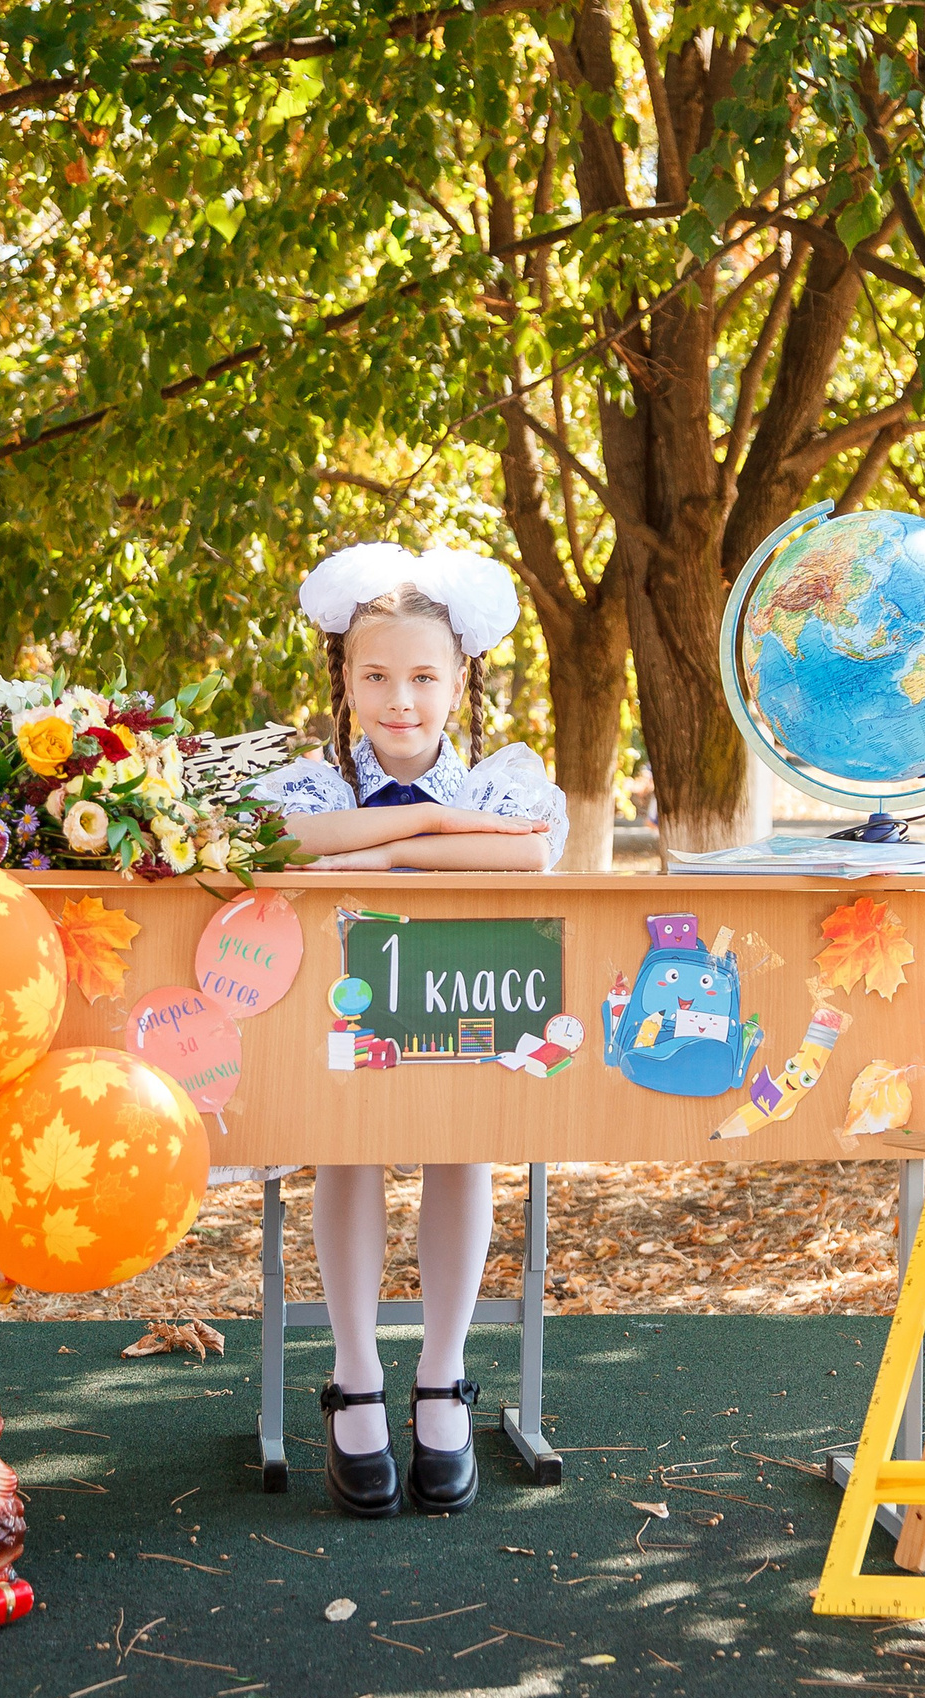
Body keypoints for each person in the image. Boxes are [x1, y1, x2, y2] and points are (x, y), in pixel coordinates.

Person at [248, 543, 564, 1519]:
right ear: (344, 679)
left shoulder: (502, 779)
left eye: (423, 677)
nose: (400, 700)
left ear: (458, 678)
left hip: (462, 1010)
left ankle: (440, 1375)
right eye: (375, 675)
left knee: (460, 1150)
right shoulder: (311, 781)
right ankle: (352, 1375)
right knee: (348, 1154)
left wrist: (382, 856)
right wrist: (423, 836)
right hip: (335, 1026)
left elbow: (528, 855)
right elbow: (281, 843)